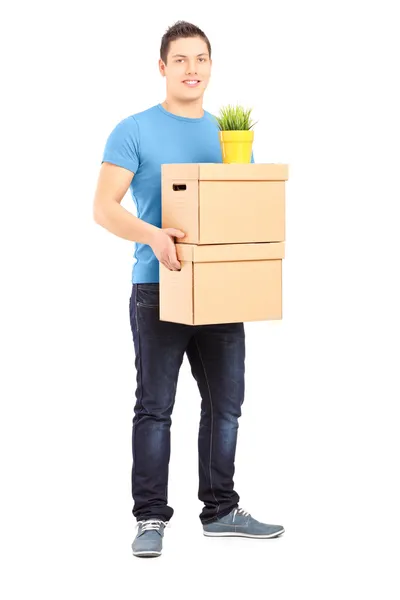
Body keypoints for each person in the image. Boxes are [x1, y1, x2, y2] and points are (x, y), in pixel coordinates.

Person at [93, 20, 285, 558]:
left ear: (210, 66)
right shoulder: (132, 129)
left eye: (201, 59)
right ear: (162, 67)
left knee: (226, 405)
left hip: (221, 288)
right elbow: (103, 207)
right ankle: (150, 517)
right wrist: (154, 236)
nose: (192, 69)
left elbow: (239, 207)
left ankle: (220, 509)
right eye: (180, 59)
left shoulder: (227, 133)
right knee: (155, 406)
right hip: (159, 285)